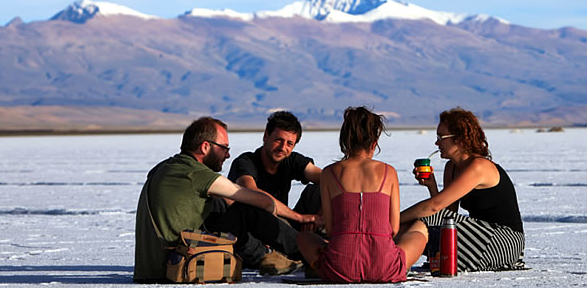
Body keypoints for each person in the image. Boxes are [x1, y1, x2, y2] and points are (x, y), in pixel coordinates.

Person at [133, 117, 312, 283]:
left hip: (154, 267)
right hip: (177, 266)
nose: (227, 155)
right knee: (246, 211)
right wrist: (300, 218)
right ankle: (312, 255)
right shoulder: (197, 174)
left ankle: (266, 255)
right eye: (224, 148)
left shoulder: (167, 167)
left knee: (220, 204)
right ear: (205, 147)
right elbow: (262, 201)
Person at [296, 106, 428, 283]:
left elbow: (330, 227)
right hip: (384, 267)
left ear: (345, 139)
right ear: (374, 141)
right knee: (420, 234)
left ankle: (319, 265)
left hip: (339, 268)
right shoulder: (389, 172)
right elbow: (394, 228)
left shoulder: (329, 173)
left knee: (303, 237)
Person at [400, 108, 526, 272]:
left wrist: (391, 220)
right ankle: (386, 261)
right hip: (477, 235)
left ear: (459, 139)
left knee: (416, 223)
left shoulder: (479, 167)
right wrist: (432, 186)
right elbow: (447, 213)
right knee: (404, 229)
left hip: (503, 240)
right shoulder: (451, 167)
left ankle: (396, 266)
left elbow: (434, 207)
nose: (436, 143)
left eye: (441, 137)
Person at [225, 111, 324, 266]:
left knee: (316, 190)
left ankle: (317, 241)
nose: (283, 148)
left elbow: (328, 179)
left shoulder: (291, 160)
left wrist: (319, 217)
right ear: (266, 136)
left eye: (289, 144)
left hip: (284, 227)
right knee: (254, 207)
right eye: (278, 140)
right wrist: (300, 217)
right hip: (254, 232)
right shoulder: (246, 162)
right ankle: (309, 250)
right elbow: (253, 193)